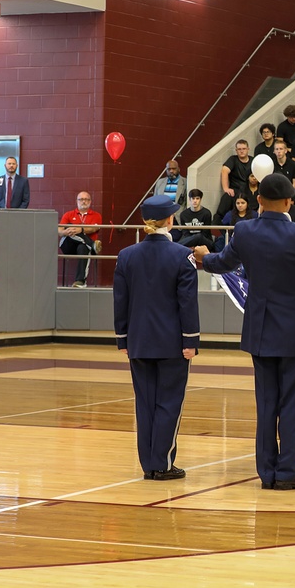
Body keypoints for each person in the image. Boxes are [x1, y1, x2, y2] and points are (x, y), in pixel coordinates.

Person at [193, 174, 295, 491]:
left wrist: (205, 257)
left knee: (266, 404)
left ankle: (267, 473)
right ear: (289, 202)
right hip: (294, 333)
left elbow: (222, 264)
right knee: (292, 405)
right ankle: (287, 472)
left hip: (260, 331)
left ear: (259, 201)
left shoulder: (245, 231)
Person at [113, 195, 199, 481]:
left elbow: (120, 301)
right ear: (170, 220)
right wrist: (191, 341)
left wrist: (123, 339)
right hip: (172, 343)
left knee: (145, 403)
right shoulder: (181, 255)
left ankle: (149, 463)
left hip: (138, 341)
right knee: (169, 402)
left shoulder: (127, 255)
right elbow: (187, 303)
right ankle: (162, 463)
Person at [58, 191, 102, 288]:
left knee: (83, 247)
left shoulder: (96, 215)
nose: (84, 202)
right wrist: (66, 231)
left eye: (86, 199)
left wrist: (80, 229)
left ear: (90, 201)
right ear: (77, 201)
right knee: (69, 225)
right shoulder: (68, 214)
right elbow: (59, 230)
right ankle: (92, 244)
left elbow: (94, 228)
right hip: (69, 245)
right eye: (81, 199)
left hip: (83, 248)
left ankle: (80, 282)